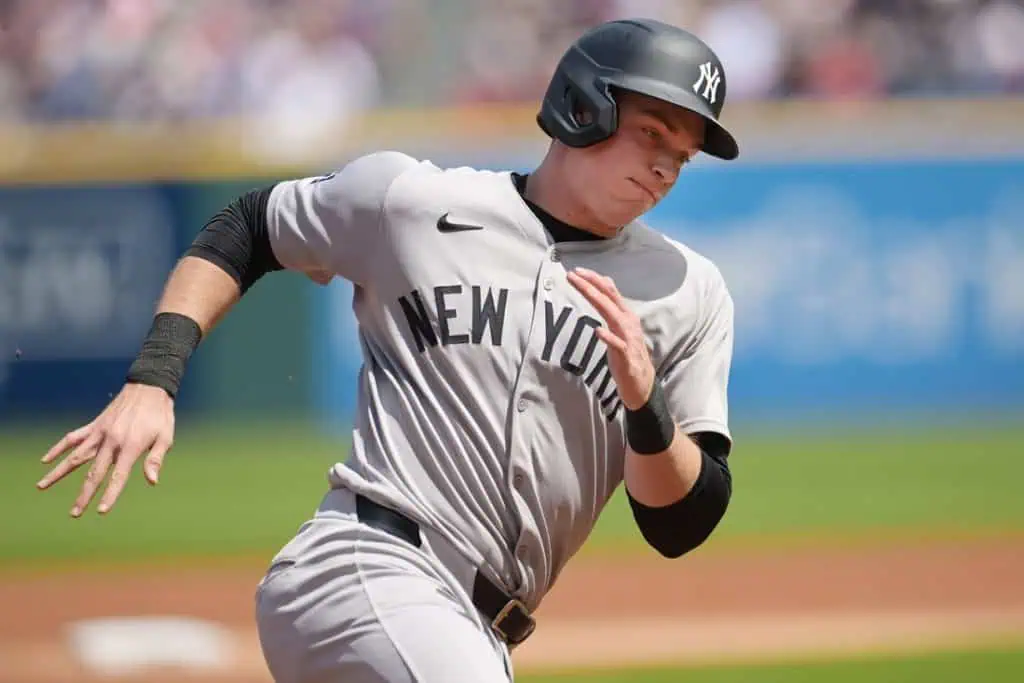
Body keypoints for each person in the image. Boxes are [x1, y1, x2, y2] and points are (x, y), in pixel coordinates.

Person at [36, 17, 739, 683]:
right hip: (365, 566)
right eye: (652, 133)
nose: (665, 167)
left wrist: (646, 409)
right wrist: (154, 377)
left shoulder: (687, 292)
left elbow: (679, 521)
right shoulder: (413, 202)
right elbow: (249, 226)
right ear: (585, 108)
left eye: (680, 153)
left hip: (475, 625)